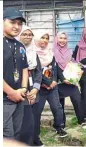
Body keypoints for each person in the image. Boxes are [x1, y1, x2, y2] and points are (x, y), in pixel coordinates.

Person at [33, 30, 68, 146]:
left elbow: (55, 68)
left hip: (52, 87)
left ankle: (59, 127)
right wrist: (47, 82)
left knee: (57, 108)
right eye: (42, 37)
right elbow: (35, 71)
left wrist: (54, 81)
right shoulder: (32, 53)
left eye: (47, 38)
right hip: (39, 88)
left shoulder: (50, 53)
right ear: (37, 38)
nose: (44, 40)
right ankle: (35, 135)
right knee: (37, 112)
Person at [3, 7, 28, 140]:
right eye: (13, 22)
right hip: (4, 99)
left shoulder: (20, 46)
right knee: (6, 135)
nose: (17, 26)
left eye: (19, 23)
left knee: (17, 132)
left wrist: (23, 88)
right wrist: (11, 92)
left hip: (19, 97)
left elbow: (24, 68)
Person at [53, 32, 86, 128]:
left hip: (70, 80)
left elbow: (74, 63)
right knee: (60, 104)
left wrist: (80, 70)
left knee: (77, 99)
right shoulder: (52, 52)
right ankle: (61, 123)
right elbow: (56, 68)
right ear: (56, 39)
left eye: (65, 38)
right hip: (58, 81)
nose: (62, 40)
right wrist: (63, 79)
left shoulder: (69, 51)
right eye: (60, 38)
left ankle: (81, 120)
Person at [16, 25, 42, 145]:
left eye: (30, 34)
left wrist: (36, 88)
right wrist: (22, 89)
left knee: (35, 118)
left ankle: (35, 139)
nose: (28, 37)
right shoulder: (13, 50)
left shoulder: (34, 52)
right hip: (19, 89)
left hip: (33, 89)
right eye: (24, 34)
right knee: (25, 121)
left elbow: (38, 71)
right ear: (18, 35)